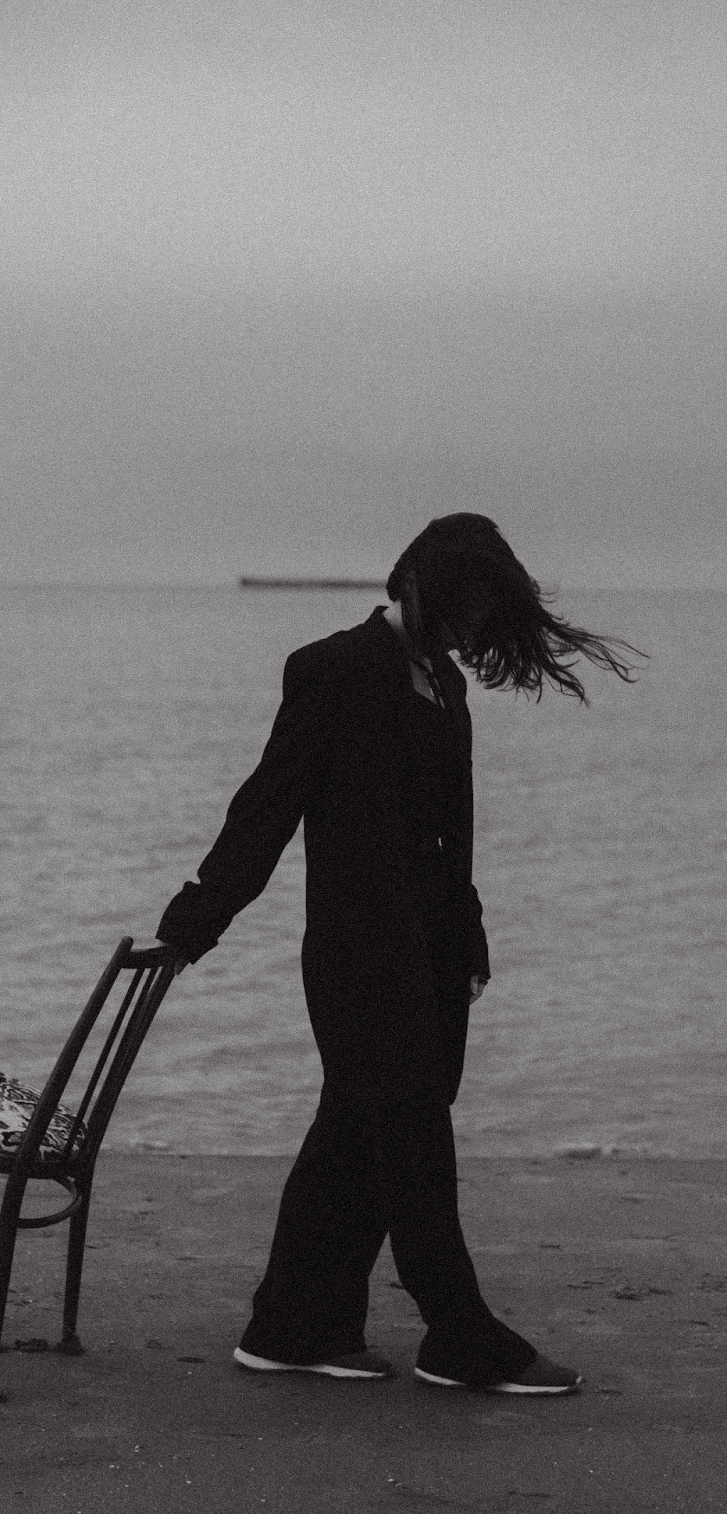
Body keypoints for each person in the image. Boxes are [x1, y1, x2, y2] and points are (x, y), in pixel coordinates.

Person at [156, 513, 640, 1395]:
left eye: (483, 616)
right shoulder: (332, 670)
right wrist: (193, 921)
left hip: (431, 955)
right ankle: (457, 1334)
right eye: (460, 608)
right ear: (415, 581)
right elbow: (266, 806)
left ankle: (292, 1326)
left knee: (352, 1139)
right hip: (357, 956)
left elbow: (450, 832)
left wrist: (470, 935)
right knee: (413, 1141)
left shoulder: (444, 686)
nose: (469, 630)